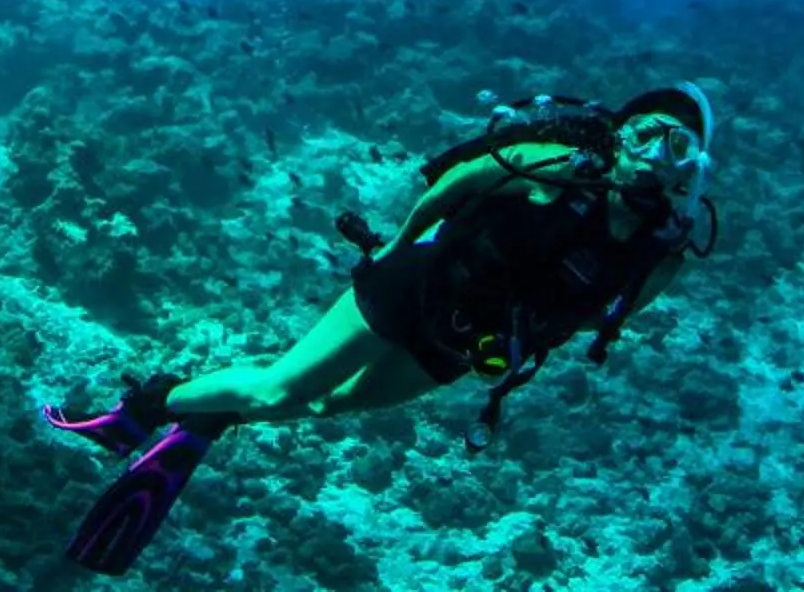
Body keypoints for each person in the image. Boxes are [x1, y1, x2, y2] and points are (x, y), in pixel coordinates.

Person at [41, 84, 720, 575]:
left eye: (676, 143)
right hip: (411, 287)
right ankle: (144, 407)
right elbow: (459, 181)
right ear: (616, 133)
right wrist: (400, 245)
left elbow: (607, 316)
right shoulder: (558, 166)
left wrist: (517, 344)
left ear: (693, 164)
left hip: (463, 347)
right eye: (642, 131)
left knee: (326, 403)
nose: (654, 151)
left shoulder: (661, 252)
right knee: (280, 391)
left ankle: (215, 413)